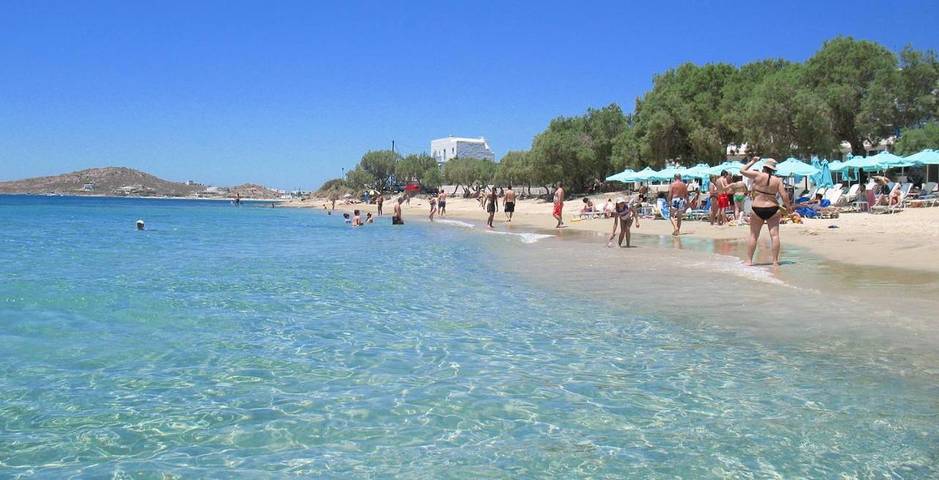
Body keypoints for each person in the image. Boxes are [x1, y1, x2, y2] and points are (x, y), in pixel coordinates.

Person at [741, 157, 792, 267]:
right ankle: (775, 262)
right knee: (775, 235)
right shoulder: (777, 180)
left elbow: (742, 170)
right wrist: (788, 207)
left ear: (764, 167)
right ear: (773, 169)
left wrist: (753, 161)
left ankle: (749, 261)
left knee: (754, 235)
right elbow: (784, 195)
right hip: (772, 208)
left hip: (757, 208)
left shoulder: (758, 175)